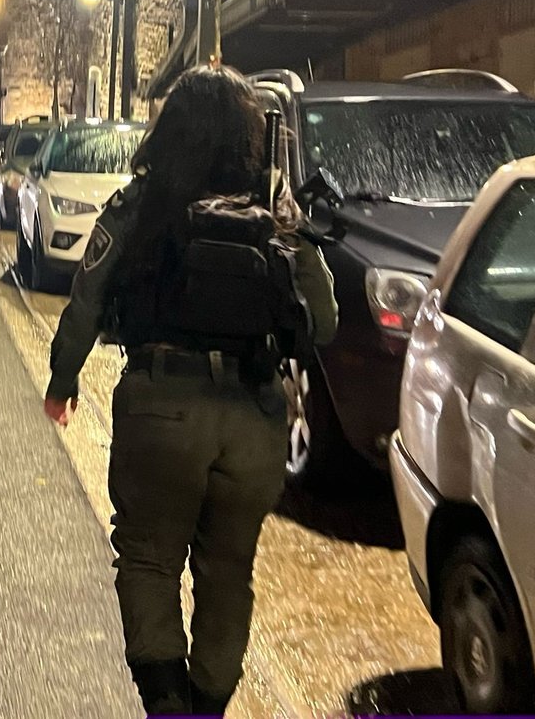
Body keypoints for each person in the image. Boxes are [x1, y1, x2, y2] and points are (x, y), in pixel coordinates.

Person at [43, 65, 337, 716]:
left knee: (148, 561)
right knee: (228, 571)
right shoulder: (271, 208)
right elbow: (324, 320)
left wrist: (62, 381)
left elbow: (87, 298)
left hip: (161, 406)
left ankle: (166, 702)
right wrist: (295, 233)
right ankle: (207, 704)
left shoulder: (140, 203)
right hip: (252, 414)